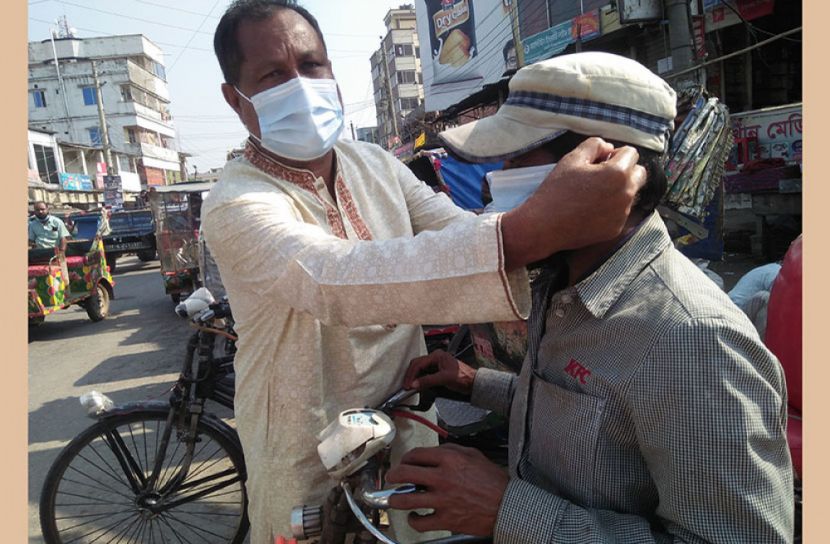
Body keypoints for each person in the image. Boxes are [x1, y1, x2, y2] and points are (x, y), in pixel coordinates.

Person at [203, 3, 648, 541]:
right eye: (273, 75)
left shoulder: (373, 163)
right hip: (304, 437)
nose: (300, 84)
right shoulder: (236, 200)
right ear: (236, 98)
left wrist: (541, 221)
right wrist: (528, 231)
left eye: (312, 64)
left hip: (404, 418)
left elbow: (459, 231)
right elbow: (327, 280)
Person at [387, 52, 794, 543]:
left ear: (609, 168)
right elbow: (588, 418)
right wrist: (476, 382)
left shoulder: (694, 340)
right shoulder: (563, 282)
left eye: (518, 159)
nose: (500, 176)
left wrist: (506, 511)